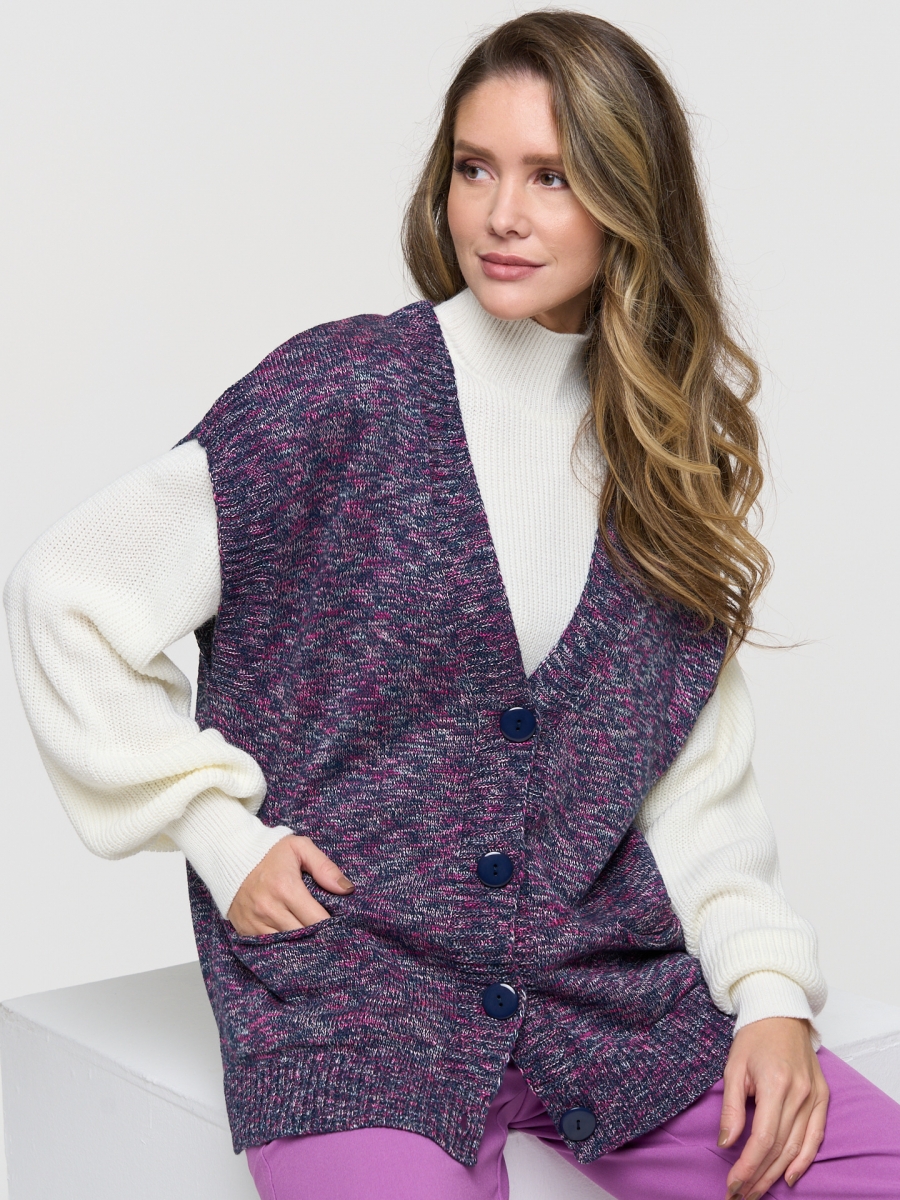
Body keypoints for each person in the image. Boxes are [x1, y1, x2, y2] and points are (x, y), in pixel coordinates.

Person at [4, 10, 900, 1200]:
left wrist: (772, 999)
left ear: (632, 198)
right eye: (475, 169)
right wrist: (220, 831)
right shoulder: (344, 392)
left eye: (552, 178)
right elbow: (70, 592)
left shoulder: (666, 464)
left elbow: (696, 789)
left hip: (607, 1006)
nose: (501, 215)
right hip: (353, 1005)